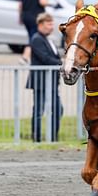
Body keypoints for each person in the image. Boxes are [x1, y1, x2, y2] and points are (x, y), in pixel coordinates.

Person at [26, 12, 62, 142]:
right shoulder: (36, 39)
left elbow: (52, 57)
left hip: (51, 82)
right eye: (49, 24)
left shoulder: (48, 39)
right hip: (41, 82)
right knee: (39, 111)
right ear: (40, 24)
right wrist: (62, 63)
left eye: (52, 23)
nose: (51, 26)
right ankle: (36, 138)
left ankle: (52, 137)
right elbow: (45, 58)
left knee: (58, 109)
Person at [18, 0, 49, 65]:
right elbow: (42, 2)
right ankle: (25, 57)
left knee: (31, 36)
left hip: (26, 17)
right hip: (36, 19)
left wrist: (20, 17)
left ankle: (31, 56)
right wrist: (48, 2)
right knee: (34, 38)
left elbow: (20, 5)